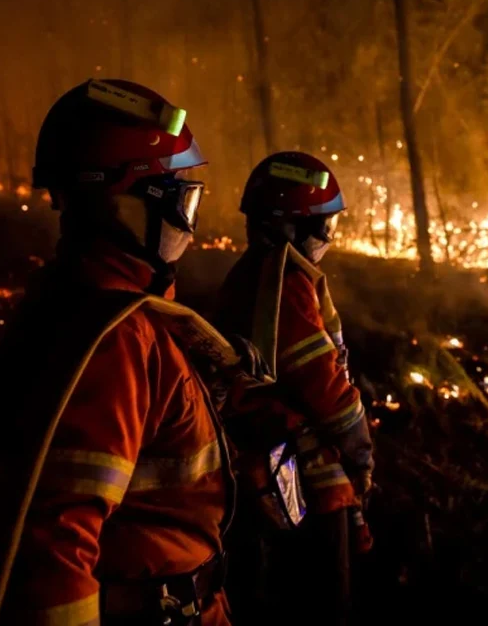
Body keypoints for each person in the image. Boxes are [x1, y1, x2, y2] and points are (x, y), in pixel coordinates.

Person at [0, 79, 264, 626]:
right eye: (181, 198)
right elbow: (54, 549)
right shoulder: (116, 340)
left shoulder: (108, 309)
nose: (190, 223)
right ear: (119, 204)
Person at [215, 152, 375, 626]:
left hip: (262, 477)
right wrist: (361, 453)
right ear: (293, 226)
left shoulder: (247, 275)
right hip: (303, 486)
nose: (328, 238)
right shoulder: (285, 283)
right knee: (321, 605)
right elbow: (323, 387)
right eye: (325, 226)